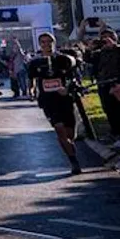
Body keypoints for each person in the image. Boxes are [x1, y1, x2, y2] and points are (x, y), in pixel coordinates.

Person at [32, 33, 86, 171]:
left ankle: (70, 147)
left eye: (49, 42)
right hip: (49, 101)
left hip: (65, 99)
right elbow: (32, 80)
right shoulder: (35, 62)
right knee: (59, 130)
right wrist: (32, 91)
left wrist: (67, 88)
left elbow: (74, 77)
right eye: (43, 42)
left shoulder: (63, 59)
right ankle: (74, 162)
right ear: (40, 44)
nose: (46, 45)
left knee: (70, 134)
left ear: (54, 43)